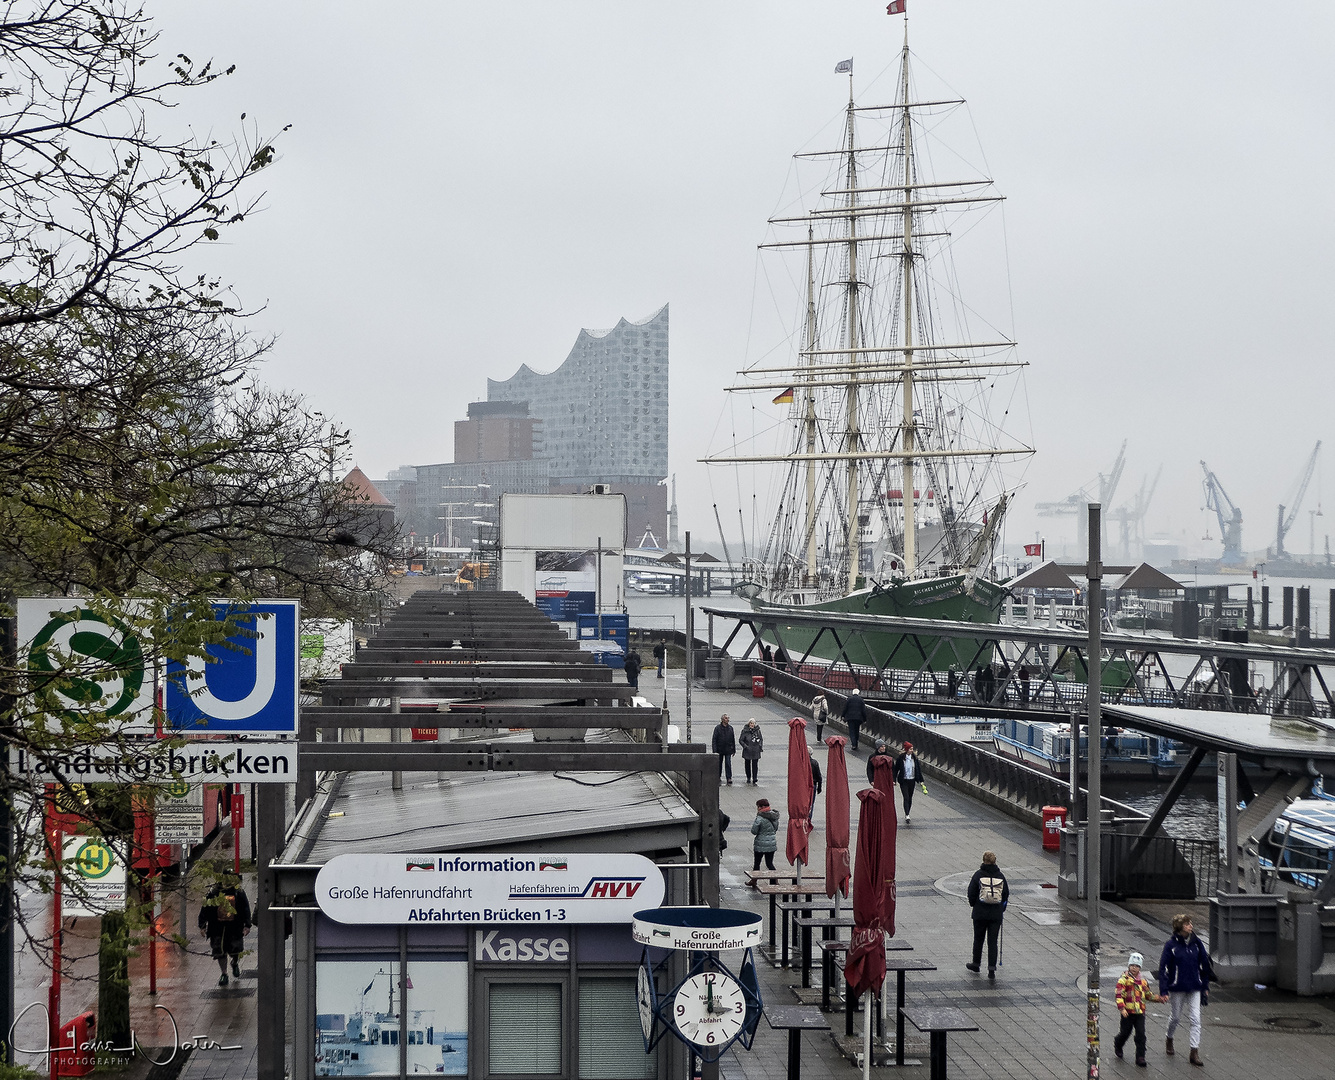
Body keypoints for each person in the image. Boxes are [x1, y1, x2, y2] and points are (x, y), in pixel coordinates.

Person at [1158, 912, 1214, 1067]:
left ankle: (1194, 1052)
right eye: (1188, 923)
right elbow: (1163, 968)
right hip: (1177, 987)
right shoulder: (1171, 946)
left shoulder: (1197, 943)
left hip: (1195, 986)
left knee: (1195, 1019)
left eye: (1191, 923)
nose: (1191, 926)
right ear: (1180, 927)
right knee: (1175, 1017)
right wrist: (1164, 990)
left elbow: (1204, 965)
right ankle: (1169, 1037)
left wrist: (1205, 985)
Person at [1114, 950, 1168, 1067]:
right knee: (1125, 1032)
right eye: (1132, 965)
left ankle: (1140, 1056)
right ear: (1129, 966)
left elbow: (1148, 995)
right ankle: (1118, 1043)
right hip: (1127, 1013)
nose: (1134, 968)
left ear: (1140, 968)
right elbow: (1119, 995)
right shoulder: (1124, 980)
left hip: (1140, 1013)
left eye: (1137, 966)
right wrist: (1122, 1008)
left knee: (1141, 1034)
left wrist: (1159, 998)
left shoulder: (1143, 981)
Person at [199, 872, 252, 986]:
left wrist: (247, 925)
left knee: (235, 949)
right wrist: (202, 925)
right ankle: (224, 973)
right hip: (217, 928)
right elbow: (205, 908)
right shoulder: (213, 893)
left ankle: (235, 962)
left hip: (235, 927)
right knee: (219, 951)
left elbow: (245, 908)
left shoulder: (239, 893)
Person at [965, 851, 1008, 979]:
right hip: (995, 914)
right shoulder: (1000, 876)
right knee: (992, 941)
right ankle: (991, 969)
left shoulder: (978, 875)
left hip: (980, 913)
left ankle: (976, 963)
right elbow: (1005, 894)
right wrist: (1001, 909)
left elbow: (971, 892)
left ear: (983, 861)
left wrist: (974, 905)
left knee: (978, 939)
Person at [893, 741, 921, 824]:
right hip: (904, 780)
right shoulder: (901, 759)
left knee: (910, 797)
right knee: (906, 797)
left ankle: (908, 811)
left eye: (912, 749)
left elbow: (918, 770)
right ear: (906, 750)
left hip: (912, 780)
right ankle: (907, 814)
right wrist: (894, 780)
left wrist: (921, 780)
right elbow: (895, 770)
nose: (912, 750)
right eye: (910, 749)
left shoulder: (914, 758)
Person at [751, 798, 780, 871]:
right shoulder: (774, 816)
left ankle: (754, 881)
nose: (757, 808)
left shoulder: (759, 818)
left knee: (757, 864)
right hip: (771, 844)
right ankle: (774, 880)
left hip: (760, 844)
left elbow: (754, 831)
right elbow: (775, 829)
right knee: (769, 864)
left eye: (758, 806)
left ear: (762, 807)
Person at [711, 713, 736, 785]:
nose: (727, 719)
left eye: (728, 718)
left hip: (728, 749)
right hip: (720, 749)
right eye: (726, 718)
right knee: (719, 764)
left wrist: (733, 749)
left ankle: (729, 777)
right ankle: (718, 776)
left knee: (728, 763)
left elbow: (733, 739)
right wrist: (714, 750)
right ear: (722, 720)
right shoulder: (717, 728)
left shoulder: (730, 728)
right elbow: (714, 740)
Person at [739, 718, 764, 785]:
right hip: (747, 750)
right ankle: (748, 777)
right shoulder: (744, 731)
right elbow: (741, 740)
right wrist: (745, 746)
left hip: (755, 750)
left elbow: (761, 739)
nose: (752, 725)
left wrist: (760, 746)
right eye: (751, 723)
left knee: (755, 764)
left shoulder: (758, 731)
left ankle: (755, 778)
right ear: (749, 724)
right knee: (747, 764)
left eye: (753, 723)